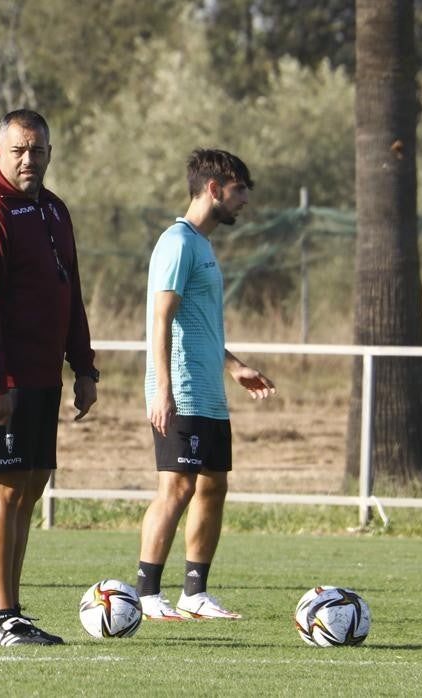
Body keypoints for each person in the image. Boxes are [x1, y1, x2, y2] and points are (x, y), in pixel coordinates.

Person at [0, 109, 99, 646]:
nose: (27, 159)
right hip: (4, 379)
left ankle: (13, 609)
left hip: (44, 376)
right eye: (17, 150)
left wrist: (83, 366)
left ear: (49, 154)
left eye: (37, 150)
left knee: (30, 489)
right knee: (4, 489)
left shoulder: (54, 211)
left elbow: (71, 294)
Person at [135, 149, 275, 621]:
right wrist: (163, 389)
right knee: (176, 488)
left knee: (213, 487)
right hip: (184, 392)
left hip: (210, 394)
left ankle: (194, 592)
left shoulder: (202, 245)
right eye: (239, 192)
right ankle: (147, 594)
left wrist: (233, 366)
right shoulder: (177, 242)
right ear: (214, 189)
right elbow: (161, 318)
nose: (244, 202)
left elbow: (200, 325)